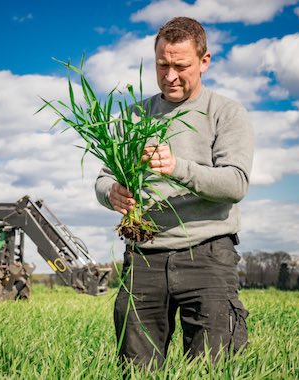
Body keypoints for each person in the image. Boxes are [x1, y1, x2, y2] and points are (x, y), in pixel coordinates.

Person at [95, 17, 254, 367]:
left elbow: (235, 183)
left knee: (214, 368)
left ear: (204, 61)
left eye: (180, 66)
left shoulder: (225, 113)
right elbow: (103, 178)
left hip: (208, 255)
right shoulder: (135, 116)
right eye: (162, 65)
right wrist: (112, 194)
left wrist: (177, 167)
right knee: (135, 369)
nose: (170, 76)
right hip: (143, 257)